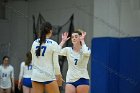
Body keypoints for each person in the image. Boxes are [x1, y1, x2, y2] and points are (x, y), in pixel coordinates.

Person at [30, 22, 62, 93]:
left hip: (36, 76)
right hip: (48, 76)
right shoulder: (53, 44)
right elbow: (56, 64)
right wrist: (58, 76)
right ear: (50, 31)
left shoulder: (34, 43)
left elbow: (33, 61)